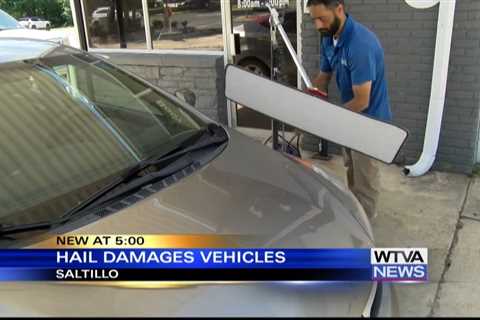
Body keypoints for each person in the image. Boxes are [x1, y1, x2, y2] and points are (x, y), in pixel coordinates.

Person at [307, 0, 392, 219]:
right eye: (314, 19)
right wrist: (308, 98)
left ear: (339, 9)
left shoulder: (360, 45)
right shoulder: (328, 36)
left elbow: (362, 100)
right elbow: (324, 76)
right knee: (351, 166)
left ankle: (365, 225)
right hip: (350, 116)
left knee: (365, 175)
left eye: (322, 18)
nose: (318, 25)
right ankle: (356, 212)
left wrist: (332, 120)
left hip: (370, 120)